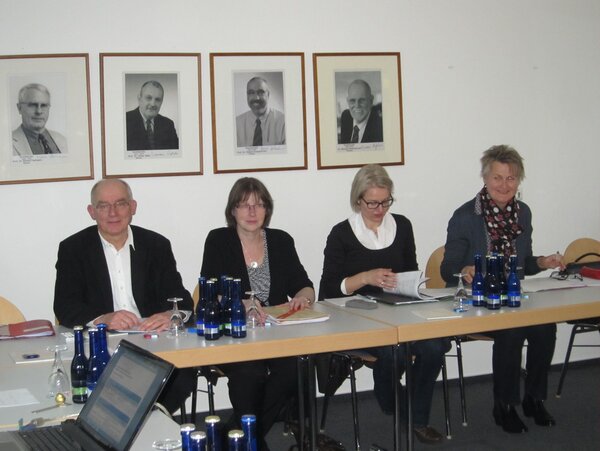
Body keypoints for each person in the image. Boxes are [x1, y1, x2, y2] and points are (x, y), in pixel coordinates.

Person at [318, 164, 448, 445]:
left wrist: (405, 283)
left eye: (385, 201)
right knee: (393, 352)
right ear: (358, 201)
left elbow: (410, 269)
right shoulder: (341, 233)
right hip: (357, 316)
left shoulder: (402, 226)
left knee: (435, 347)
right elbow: (328, 288)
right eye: (372, 203)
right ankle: (402, 408)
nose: (380, 209)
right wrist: (365, 277)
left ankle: (411, 413)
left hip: (399, 309)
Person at [440, 145, 564, 434]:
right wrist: (466, 270)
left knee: (545, 327)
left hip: (511, 296)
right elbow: (447, 269)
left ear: (518, 180)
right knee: (512, 330)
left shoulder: (523, 213)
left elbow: (523, 264)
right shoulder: (465, 216)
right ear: (485, 178)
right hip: (477, 299)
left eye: (511, 178)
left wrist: (542, 262)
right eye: (497, 178)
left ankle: (534, 399)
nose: (504, 185)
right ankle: (504, 405)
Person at [53, 178, 194, 413]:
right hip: (101, 345)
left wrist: (170, 314)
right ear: (92, 212)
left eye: (120, 203)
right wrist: (103, 319)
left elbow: (182, 299)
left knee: (183, 373)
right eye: (103, 206)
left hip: (152, 342)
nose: (113, 212)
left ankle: (144, 421)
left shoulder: (156, 245)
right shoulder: (73, 249)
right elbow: (65, 306)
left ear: (133, 207)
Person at [201, 177, 313, 450]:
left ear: (267, 210)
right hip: (234, 333)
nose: (252, 212)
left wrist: (304, 298)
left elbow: (304, 285)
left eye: (259, 205)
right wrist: (240, 303)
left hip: (275, 333)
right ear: (233, 210)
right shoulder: (219, 240)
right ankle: (252, 441)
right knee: (250, 372)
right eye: (244, 205)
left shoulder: (281, 240)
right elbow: (209, 291)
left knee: (294, 367)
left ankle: (239, 434)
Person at [12, 83, 67, 156]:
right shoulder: (7, 142)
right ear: (19, 108)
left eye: (44, 105)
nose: (39, 111)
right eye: (32, 105)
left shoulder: (62, 140)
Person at [126, 80, 179, 150]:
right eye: (148, 98)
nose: (153, 104)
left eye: (157, 99)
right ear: (139, 98)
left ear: (161, 102)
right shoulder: (125, 121)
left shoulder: (168, 125)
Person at [235, 76, 285, 147]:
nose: (256, 97)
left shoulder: (283, 122)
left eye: (261, 92)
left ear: (268, 95)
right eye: (251, 93)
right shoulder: (236, 124)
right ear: (247, 95)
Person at [338, 79, 383, 144]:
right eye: (352, 101)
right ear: (348, 101)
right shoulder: (345, 116)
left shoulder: (380, 127)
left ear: (371, 101)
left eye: (362, 100)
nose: (357, 105)